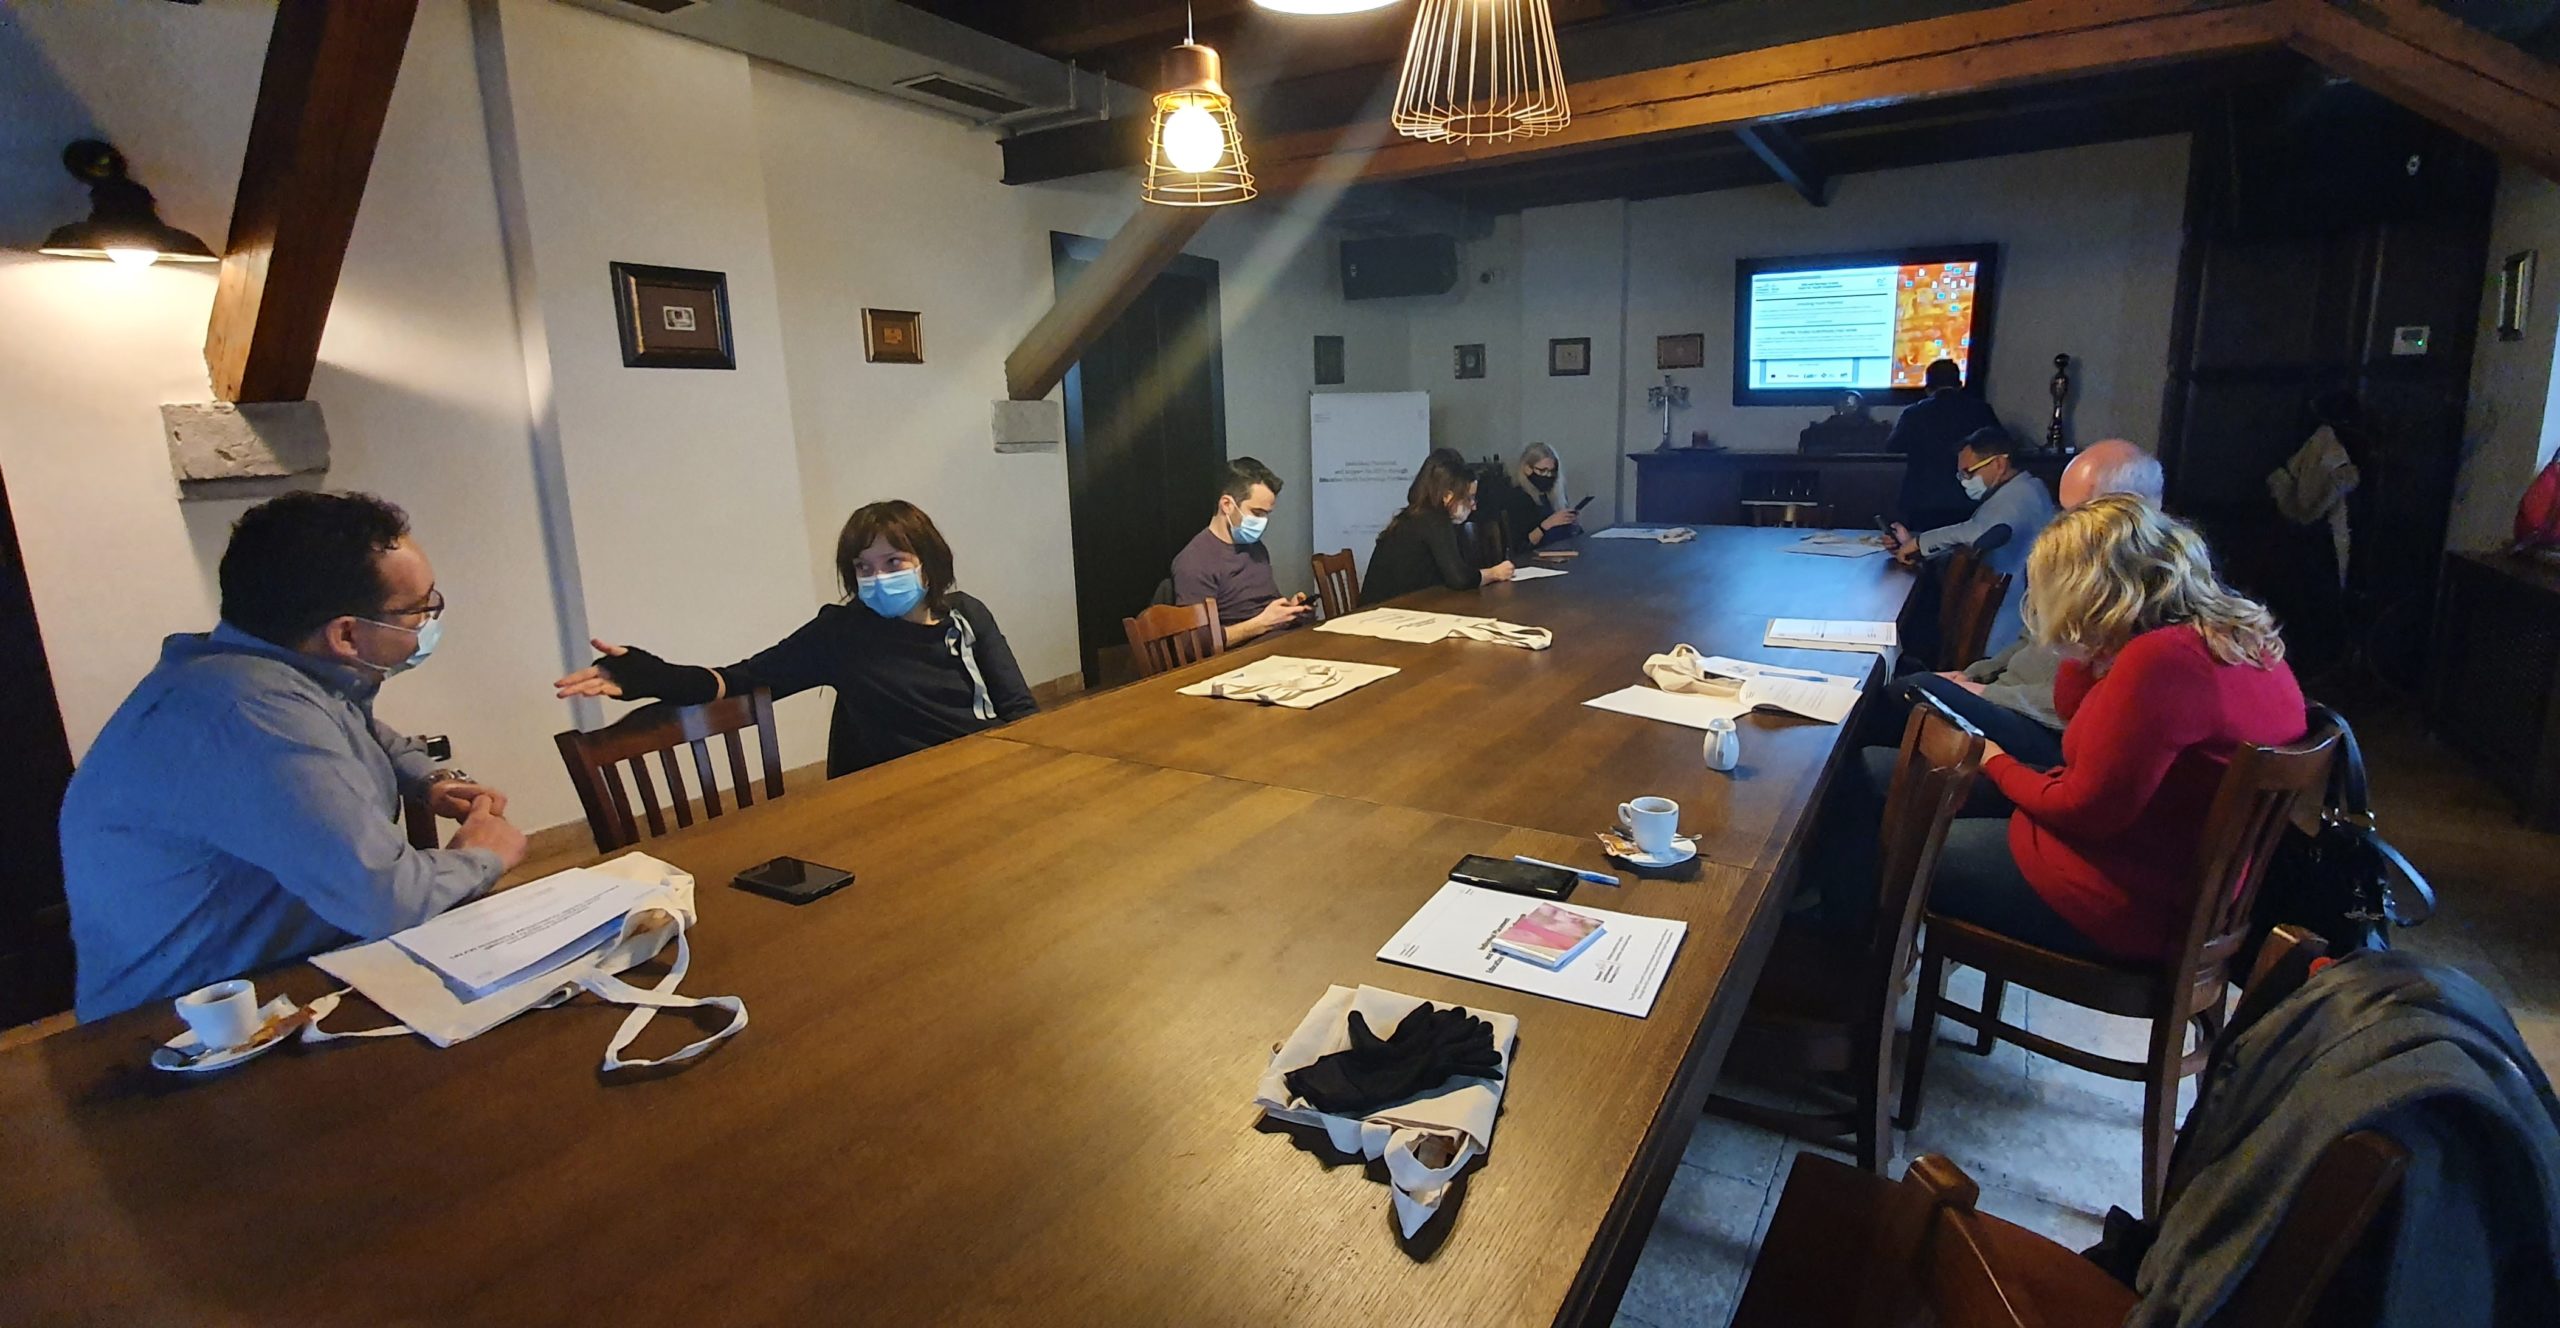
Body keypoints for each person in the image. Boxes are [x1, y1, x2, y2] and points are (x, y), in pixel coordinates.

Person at [59, 491, 527, 1022]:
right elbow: (386, 899)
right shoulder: (253, 710)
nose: (427, 622)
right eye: (419, 609)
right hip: (185, 1024)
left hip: (275, 977)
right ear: (346, 633)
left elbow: (360, 728)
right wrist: (481, 854)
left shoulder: (260, 669)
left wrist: (429, 780)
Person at [1843, 497, 2307, 963]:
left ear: (2091, 589)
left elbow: (2080, 808)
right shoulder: (2233, 638)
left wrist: (1994, 760)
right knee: (1880, 776)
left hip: (2123, 897)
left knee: (1901, 841)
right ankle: (1850, 943)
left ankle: (1844, 962)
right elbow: (2072, 717)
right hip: (2157, 871)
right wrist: (2092, 646)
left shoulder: (2161, 662)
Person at [556, 500, 1036, 778]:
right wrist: (649, 676)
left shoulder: (967, 615)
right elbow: (738, 680)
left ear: (928, 563)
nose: (877, 578)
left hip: (984, 771)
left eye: (893, 563)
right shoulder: (840, 633)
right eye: (863, 567)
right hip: (894, 795)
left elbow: (1019, 708)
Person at [1886, 426, 2058, 657]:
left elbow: (1980, 534)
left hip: (2004, 627)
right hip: (1995, 617)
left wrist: (1920, 543)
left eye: (1968, 473)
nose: (1964, 481)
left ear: (1999, 464)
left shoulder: (2022, 495)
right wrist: (1913, 543)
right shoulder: (2014, 491)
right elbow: (1968, 545)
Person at [1170, 457, 1313, 645]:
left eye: (1266, 514)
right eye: (1257, 513)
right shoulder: (1194, 561)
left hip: (1282, 639)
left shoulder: (1256, 547)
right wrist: (1262, 624)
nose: (1263, 522)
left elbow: (1263, 605)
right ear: (1227, 505)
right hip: (1246, 654)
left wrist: (1288, 609)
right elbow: (1195, 643)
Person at [1362, 449, 1516, 603]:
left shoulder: (1414, 516)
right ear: (1447, 496)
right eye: (1469, 498)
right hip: (1386, 611)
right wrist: (1495, 573)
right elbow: (1460, 578)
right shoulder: (1433, 520)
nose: (1473, 506)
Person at [1886, 358, 2001, 531]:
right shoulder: (1981, 410)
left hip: (1922, 499)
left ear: (1927, 388)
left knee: (1922, 544)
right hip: (1968, 499)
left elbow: (1892, 447)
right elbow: (2000, 444)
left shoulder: (1914, 413)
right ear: (1960, 385)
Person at [1499, 442, 1581, 559]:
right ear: (1527, 469)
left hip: (1561, 551)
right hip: (1534, 558)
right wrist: (1547, 524)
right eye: (1543, 471)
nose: (1548, 476)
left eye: (1552, 471)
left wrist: (1569, 521)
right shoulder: (1518, 497)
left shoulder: (1552, 495)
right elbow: (1521, 546)